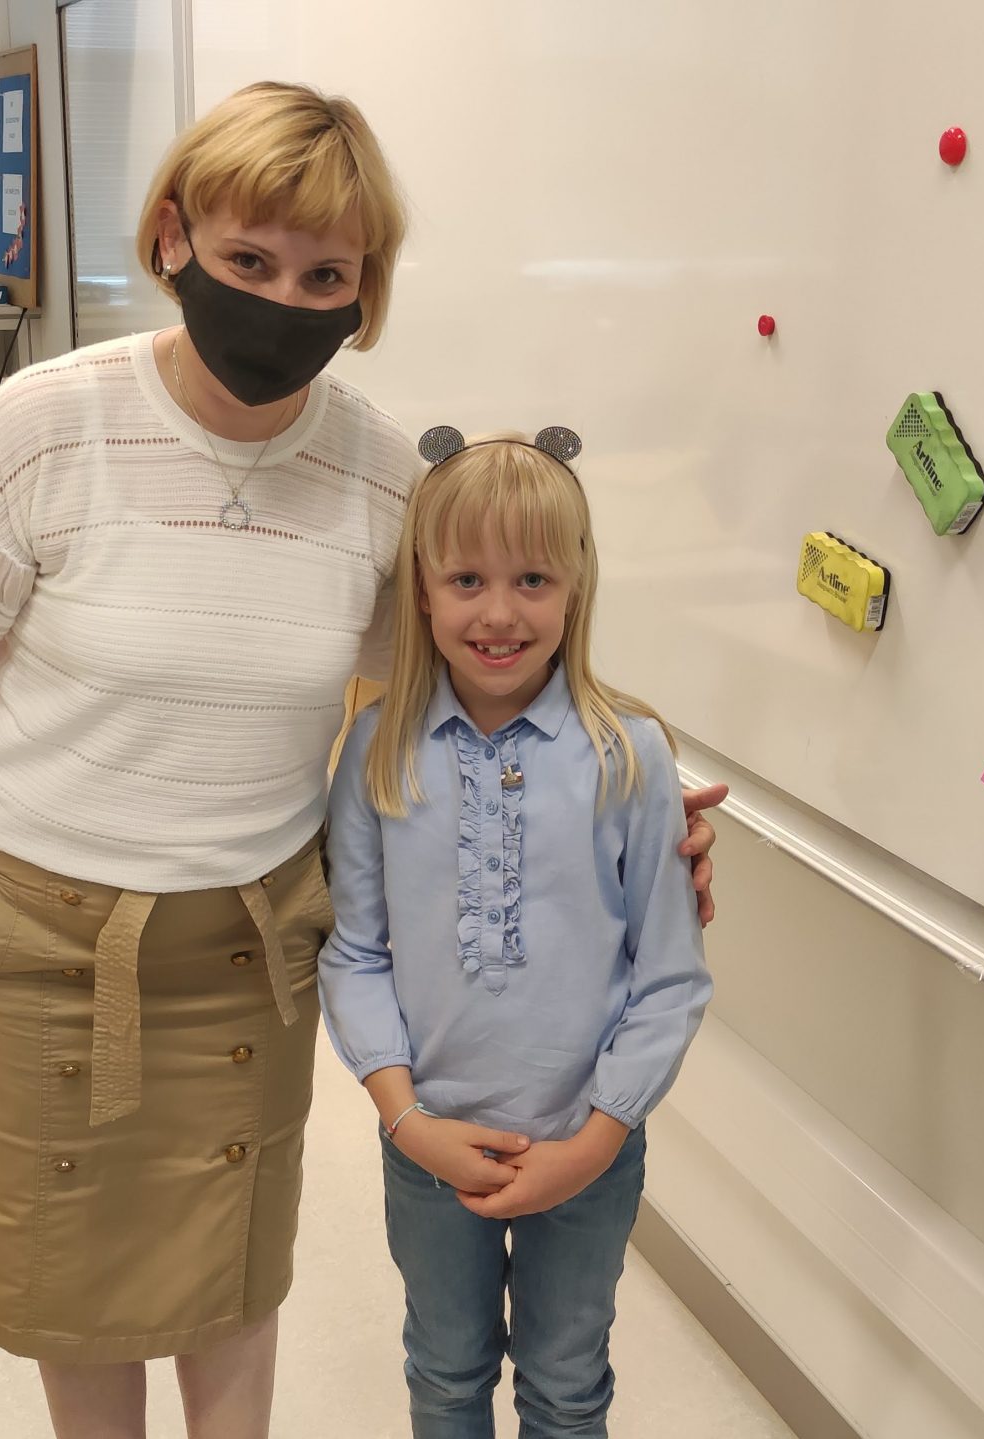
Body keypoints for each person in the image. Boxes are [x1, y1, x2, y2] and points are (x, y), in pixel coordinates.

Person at [0, 82, 725, 1439]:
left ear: (364, 290)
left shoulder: (384, 477)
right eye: (249, 259)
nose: (283, 300)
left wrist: (631, 802)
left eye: (327, 275)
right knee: (70, 1276)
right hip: (35, 930)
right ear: (172, 237)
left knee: (230, 1265)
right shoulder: (43, 427)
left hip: (249, 940)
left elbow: (468, 684)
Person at [318, 427, 714, 1439]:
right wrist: (407, 1119)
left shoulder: (631, 756)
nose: (500, 613)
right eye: (467, 579)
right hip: (428, 1140)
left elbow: (670, 978)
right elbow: (354, 952)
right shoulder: (376, 752)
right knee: (446, 1373)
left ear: (576, 588)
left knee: (566, 1384)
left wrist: (595, 1140)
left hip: (587, 1144)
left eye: (532, 578)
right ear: (421, 591)